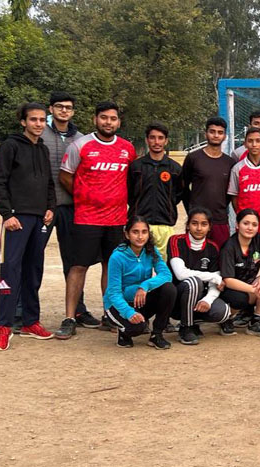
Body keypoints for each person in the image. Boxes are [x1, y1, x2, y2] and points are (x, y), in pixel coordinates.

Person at [56, 101, 137, 339]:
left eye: (112, 118)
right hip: (86, 219)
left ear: (118, 122)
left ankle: (109, 314)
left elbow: (131, 179)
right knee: (78, 267)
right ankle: (70, 318)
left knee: (111, 267)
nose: (108, 122)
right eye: (104, 118)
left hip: (117, 220)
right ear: (95, 119)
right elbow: (65, 176)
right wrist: (84, 197)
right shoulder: (80, 145)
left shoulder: (127, 148)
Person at [0, 102, 56, 351]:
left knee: (33, 271)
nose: (38, 124)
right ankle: (4, 327)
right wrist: (7, 214)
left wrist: (50, 207)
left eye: (42, 120)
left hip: (39, 219)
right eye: (33, 120)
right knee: (10, 271)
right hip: (16, 220)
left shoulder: (43, 149)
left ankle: (31, 322)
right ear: (23, 122)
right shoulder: (10, 146)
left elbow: (49, 183)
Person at [41, 91, 100, 329]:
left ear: (73, 111)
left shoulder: (81, 139)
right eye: (59, 106)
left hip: (72, 207)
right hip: (42, 208)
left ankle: (78, 310)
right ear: (51, 109)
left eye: (68, 107)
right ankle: (23, 312)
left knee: (74, 260)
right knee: (32, 258)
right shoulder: (39, 133)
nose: (64, 110)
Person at [104, 216, 177, 349]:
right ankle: (123, 333)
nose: (140, 236)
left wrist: (145, 286)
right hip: (117, 304)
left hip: (140, 299)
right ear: (127, 234)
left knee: (169, 288)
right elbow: (114, 293)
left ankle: (157, 334)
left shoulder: (151, 250)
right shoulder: (117, 257)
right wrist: (129, 313)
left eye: (144, 232)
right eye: (135, 232)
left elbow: (166, 275)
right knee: (137, 328)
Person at [167, 207, 233, 345]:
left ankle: (194, 321)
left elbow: (216, 282)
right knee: (193, 282)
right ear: (187, 225)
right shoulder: (176, 241)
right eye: (194, 223)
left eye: (204, 224)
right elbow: (181, 274)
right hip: (176, 299)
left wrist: (207, 300)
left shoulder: (212, 247)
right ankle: (186, 327)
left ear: (209, 227)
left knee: (223, 312)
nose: (199, 228)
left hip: (198, 297)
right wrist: (214, 277)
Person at [218, 208, 260, 337]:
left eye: (254, 224)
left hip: (250, 287)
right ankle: (226, 318)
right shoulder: (229, 246)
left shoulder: (258, 239)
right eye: (245, 223)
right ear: (237, 225)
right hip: (230, 290)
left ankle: (256, 322)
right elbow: (228, 280)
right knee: (240, 299)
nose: (250, 228)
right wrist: (255, 290)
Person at [127, 122, 183, 260]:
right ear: (147, 140)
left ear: (166, 141)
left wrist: (166, 206)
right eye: (152, 137)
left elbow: (178, 195)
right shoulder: (136, 167)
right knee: (138, 266)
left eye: (160, 138)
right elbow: (129, 194)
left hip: (165, 225)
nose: (156, 142)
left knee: (163, 266)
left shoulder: (175, 168)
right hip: (139, 226)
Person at [180, 117, 237, 249]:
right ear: (205, 133)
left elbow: (230, 192)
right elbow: (183, 187)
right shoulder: (193, 158)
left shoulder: (229, 163)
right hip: (197, 220)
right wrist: (192, 210)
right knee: (194, 255)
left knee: (220, 256)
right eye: (212, 131)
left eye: (220, 132)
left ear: (225, 136)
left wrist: (222, 207)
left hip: (220, 220)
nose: (216, 135)